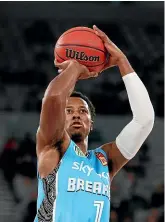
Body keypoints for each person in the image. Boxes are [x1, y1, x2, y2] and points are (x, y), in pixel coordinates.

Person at [34, 25, 154, 222]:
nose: (76, 115)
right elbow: (54, 97)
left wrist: (122, 62)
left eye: (83, 111)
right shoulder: (52, 148)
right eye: (69, 111)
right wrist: (76, 67)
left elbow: (145, 120)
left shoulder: (104, 161)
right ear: (58, 120)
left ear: (91, 124)